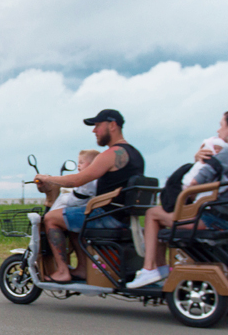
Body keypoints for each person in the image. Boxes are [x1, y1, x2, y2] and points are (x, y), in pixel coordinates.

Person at [129, 109, 228, 289]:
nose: (218, 131)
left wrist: (183, 188)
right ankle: (160, 270)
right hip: (226, 218)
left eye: (221, 125)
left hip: (210, 219)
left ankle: (149, 269)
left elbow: (195, 183)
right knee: (159, 221)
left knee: (153, 213)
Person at [33, 109, 145, 283]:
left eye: (98, 125)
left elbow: (77, 180)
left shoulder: (111, 154)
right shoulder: (136, 155)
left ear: (112, 125)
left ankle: (62, 271)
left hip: (107, 216)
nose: (94, 130)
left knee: (51, 218)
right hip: (123, 216)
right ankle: (83, 268)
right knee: (74, 219)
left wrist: (48, 178)